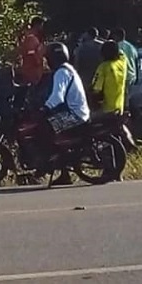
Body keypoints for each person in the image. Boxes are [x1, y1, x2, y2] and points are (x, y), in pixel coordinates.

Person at [41, 41, 91, 186]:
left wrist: (45, 108)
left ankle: (54, 162)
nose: (47, 61)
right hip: (78, 112)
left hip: (75, 115)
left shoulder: (61, 72)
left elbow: (58, 96)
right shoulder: (68, 69)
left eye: (48, 58)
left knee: (44, 127)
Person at [90, 40, 127, 116]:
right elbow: (121, 53)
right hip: (119, 108)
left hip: (106, 110)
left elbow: (96, 90)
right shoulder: (123, 62)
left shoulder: (103, 67)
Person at [112, 27, 139, 110]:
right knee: (127, 97)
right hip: (132, 75)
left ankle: (124, 115)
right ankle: (131, 114)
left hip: (123, 75)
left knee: (122, 98)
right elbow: (136, 62)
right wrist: (137, 76)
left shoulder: (117, 47)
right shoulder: (132, 47)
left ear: (117, 36)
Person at [18, 16, 46, 85]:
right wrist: (39, 61)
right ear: (37, 25)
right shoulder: (31, 38)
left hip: (34, 71)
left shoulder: (34, 38)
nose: (42, 27)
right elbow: (31, 54)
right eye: (41, 25)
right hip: (32, 73)